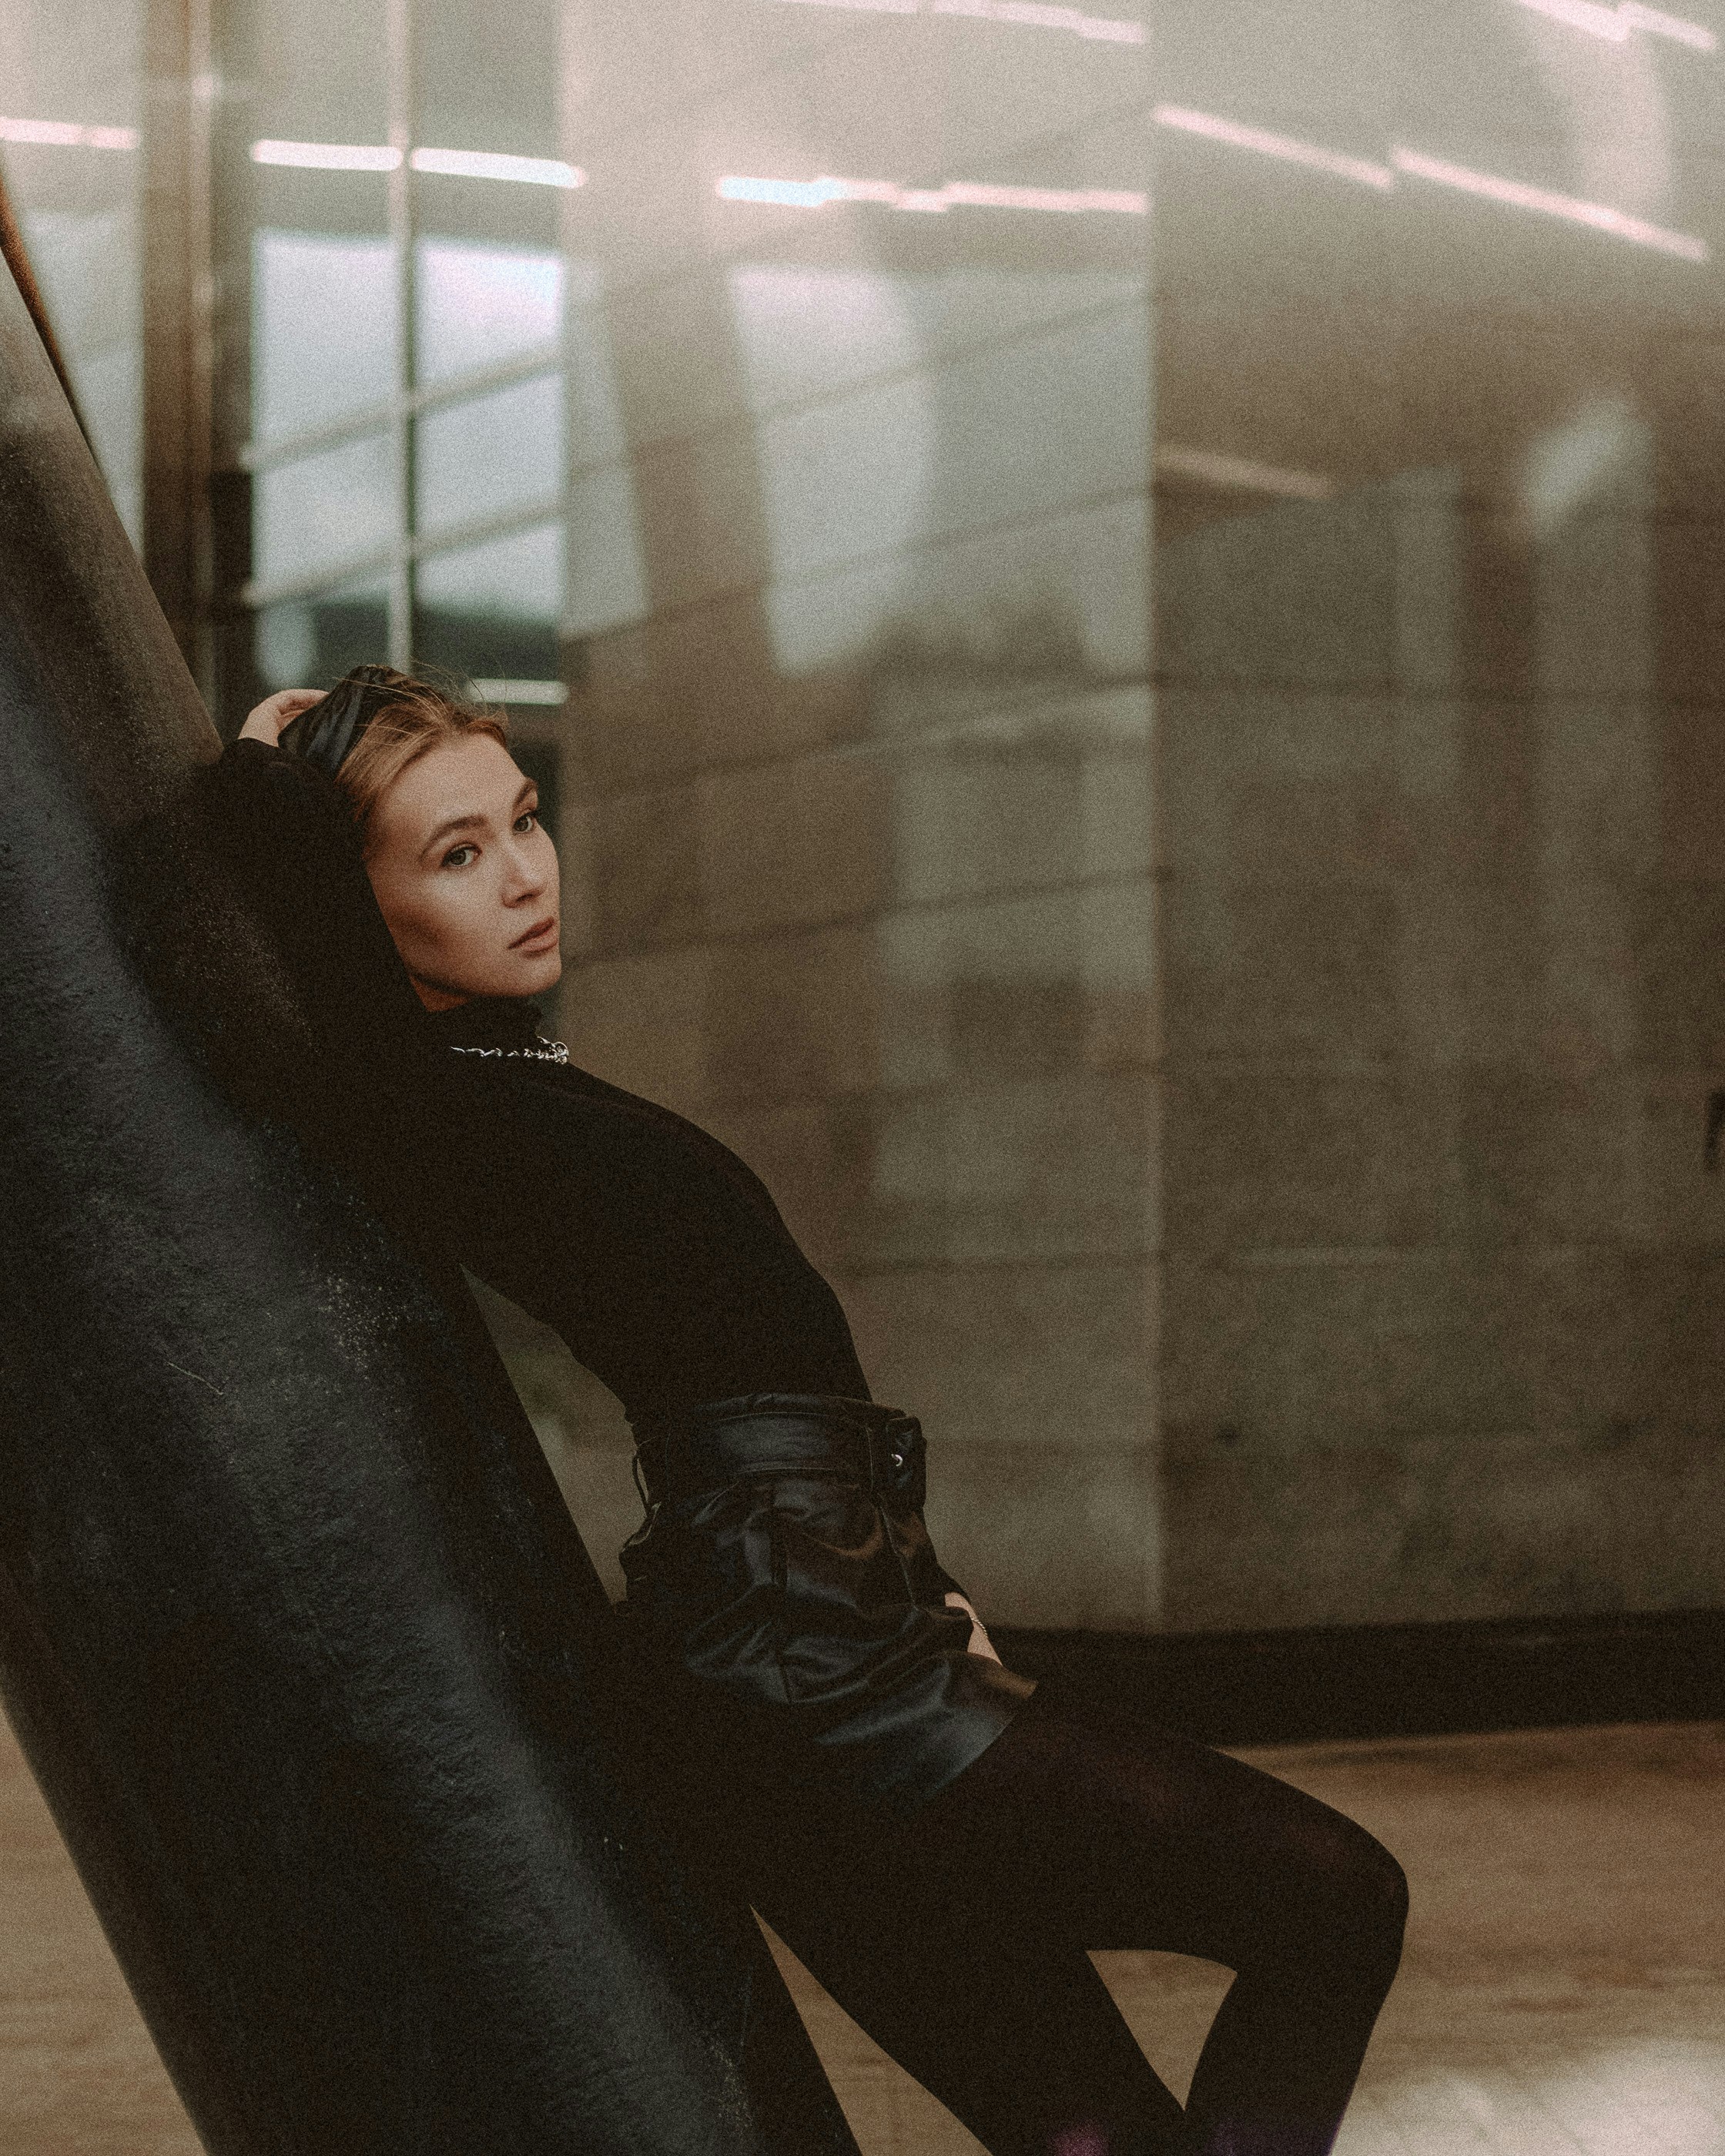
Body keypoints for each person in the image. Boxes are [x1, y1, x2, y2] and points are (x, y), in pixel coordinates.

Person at [202, 665, 1407, 2156]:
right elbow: (276, 928)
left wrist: (932, 1584)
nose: (522, 875)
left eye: (522, 820)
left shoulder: (515, 1081)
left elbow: (771, 1365)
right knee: (1338, 1895)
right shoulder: (431, 1099)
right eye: (454, 856)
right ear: (354, 902)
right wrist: (263, 758)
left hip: (804, 1664)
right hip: (808, 1680)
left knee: (1088, 2126)